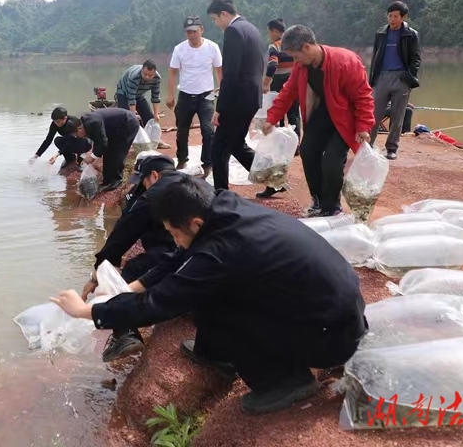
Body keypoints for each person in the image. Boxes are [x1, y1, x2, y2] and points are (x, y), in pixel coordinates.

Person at [51, 175, 367, 415]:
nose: (174, 239)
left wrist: (87, 312)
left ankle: (284, 381)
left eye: (174, 232)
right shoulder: (225, 207)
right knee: (214, 293)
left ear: (194, 223)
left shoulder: (220, 252)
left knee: (218, 301)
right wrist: (131, 287)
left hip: (330, 336)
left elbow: (158, 305)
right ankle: (215, 351)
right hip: (338, 312)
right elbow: (179, 258)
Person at [80, 155, 185, 361]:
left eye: (143, 181)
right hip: (209, 254)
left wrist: (98, 274)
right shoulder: (197, 184)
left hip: (178, 253)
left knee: (131, 272)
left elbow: (122, 236)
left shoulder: (153, 197)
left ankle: (125, 334)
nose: (143, 187)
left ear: (154, 176)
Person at [265, 25, 375, 217]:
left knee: (331, 161)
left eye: (295, 56)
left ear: (306, 47)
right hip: (325, 111)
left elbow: (363, 96)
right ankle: (318, 200)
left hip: (346, 116)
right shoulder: (302, 66)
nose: (295, 61)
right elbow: (288, 91)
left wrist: (363, 126)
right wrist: (271, 118)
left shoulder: (346, 61)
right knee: (307, 150)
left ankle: (332, 206)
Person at [206, 0, 265, 190]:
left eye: (215, 19)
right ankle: (271, 178)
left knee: (219, 148)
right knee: (236, 144)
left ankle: (221, 194)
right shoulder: (251, 28)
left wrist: (220, 108)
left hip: (237, 101)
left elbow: (230, 74)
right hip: (251, 98)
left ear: (224, 14)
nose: (216, 24)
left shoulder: (233, 31)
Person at [166, 16, 223, 176]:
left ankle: (207, 163)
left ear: (202, 30)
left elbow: (219, 70)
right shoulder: (180, 49)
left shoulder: (212, 47)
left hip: (206, 96)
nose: (192, 35)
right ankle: (182, 159)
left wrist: (223, 90)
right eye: (189, 32)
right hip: (185, 95)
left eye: (195, 31)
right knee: (182, 130)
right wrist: (170, 94)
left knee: (208, 130)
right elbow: (172, 71)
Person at [368, 1, 421, 160]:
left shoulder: (411, 34)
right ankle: (368, 145)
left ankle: (391, 148)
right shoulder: (381, 33)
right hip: (382, 77)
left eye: (396, 16)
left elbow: (416, 58)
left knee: (398, 116)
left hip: (401, 78)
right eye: (390, 16)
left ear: (404, 17)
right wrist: (373, 79)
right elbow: (375, 57)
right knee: (374, 114)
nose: (392, 19)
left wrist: (409, 77)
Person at [257, 18, 300, 199]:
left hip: (281, 83)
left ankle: (275, 182)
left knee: (276, 118)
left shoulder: (274, 45)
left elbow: (273, 64)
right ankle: (296, 143)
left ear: (274, 31)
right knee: (294, 114)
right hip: (296, 81)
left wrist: (266, 83)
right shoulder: (295, 44)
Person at [73, 108, 141, 192]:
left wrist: (92, 157)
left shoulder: (93, 123)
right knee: (107, 152)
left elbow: (102, 142)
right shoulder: (87, 124)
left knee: (117, 152)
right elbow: (99, 141)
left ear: (79, 128)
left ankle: (116, 180)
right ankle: (107, 180)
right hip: (115, 129)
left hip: (128, 123)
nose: (78, 137)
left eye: (76, 135)